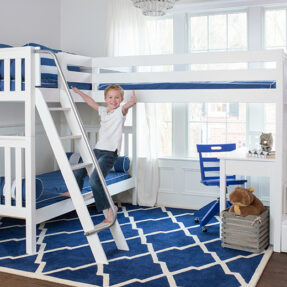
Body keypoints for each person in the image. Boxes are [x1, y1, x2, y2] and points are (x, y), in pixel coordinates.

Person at [61, 84, 137, 223]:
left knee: (95, 179)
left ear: (121, 100)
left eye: (117, 98)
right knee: (80, 168)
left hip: (110, 153)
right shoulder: (103, 111)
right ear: (105, 98)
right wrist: (78, 92)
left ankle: (110, 208)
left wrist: (130, 103)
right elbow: (91, 102)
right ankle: (74, 191)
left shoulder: (120, 111)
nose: (113, 100)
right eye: (110, 97)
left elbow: (126, 108)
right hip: (97, 149)